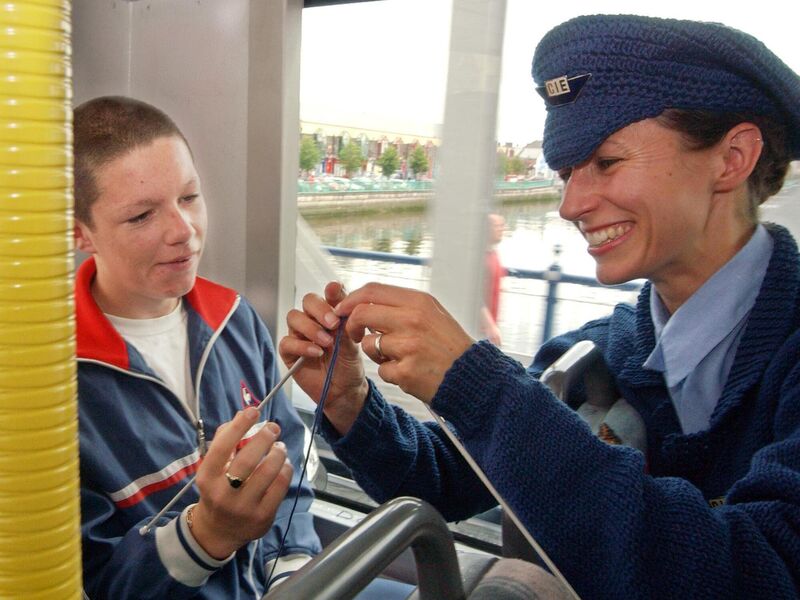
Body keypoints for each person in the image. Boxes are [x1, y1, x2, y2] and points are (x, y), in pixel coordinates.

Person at [281, 14, 800, 600]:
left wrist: (483, 390)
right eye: (566, 174)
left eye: (605, 163)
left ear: (733, 158)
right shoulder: (605, 349)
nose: (571, 204)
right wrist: (351, 402)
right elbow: (450, 480)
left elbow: (762, 569)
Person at [73, 96, 322, 599]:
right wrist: (206, 536)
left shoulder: (234, 317)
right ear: (81, 234)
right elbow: (91, 582)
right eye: (142, 215)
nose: (184, 231)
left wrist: (293, 568)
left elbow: (288, 457)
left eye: (189, 197)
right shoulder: (47, 385)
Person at [481, 213, 507, 345]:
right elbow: (473, 294)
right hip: (479, 329)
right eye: (497, 226)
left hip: (488, 328)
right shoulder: (480, 257)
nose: (502, 229)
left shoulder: (493, 253)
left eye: (503, 225)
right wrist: (489, 325)